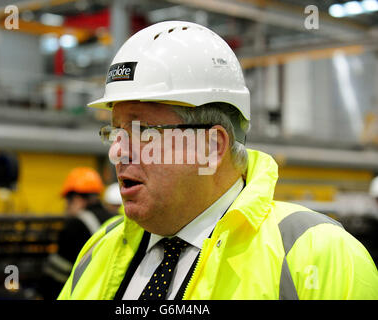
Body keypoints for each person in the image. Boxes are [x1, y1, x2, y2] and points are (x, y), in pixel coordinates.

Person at [58, 21, 378, 300]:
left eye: (143, 132)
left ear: (211, 147)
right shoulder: (99, 250)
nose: (116, 152)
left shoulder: (319, 256)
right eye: (115, 132)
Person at [40, 167, 114, 299]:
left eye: (67, 201)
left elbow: (57, 276)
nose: (66, 207)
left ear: (76, 199)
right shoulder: (114, 220)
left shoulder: (74, 226)